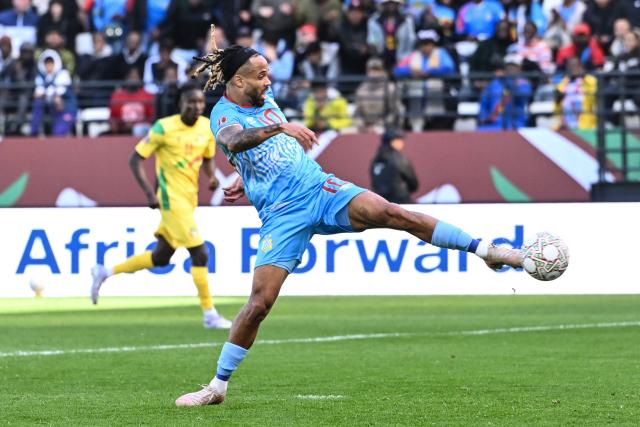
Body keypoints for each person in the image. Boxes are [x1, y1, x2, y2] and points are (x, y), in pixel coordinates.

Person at [174, 30, 523, 406]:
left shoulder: (264, 95)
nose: (268, 80)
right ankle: (217, 388)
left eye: (268, 73)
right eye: (260, 75)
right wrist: (278, 132)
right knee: (260, 303)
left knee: (393, 212)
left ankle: (488, 250)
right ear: (238, 81)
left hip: (318, 189)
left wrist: (247, 173)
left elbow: (262, 148)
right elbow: (236, 140)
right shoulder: (223, 114)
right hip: (281, 215)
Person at [90, 86, 232, 330]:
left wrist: (211, 177)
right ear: (180, 104)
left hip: (189, 199)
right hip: (169, 198)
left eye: (200, 102)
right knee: (200, 253)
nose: (197, 106)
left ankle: (105, 271)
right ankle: (209, 313)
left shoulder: (206, 128)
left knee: (160, 256)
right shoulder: (163, 127)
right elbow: (135, 159)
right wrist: (148, 192)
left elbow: (208, 159)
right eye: (191, 102)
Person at [370, 129, 418, 204]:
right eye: (399, 140)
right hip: (400, 202)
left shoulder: (375, 159)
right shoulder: (398, 158)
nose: (402, 143)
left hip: (380, 203)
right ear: (392, 141)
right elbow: (413, 183)